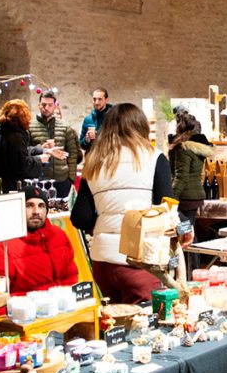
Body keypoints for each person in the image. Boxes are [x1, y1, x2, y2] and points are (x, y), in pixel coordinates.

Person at [83, 103, 173, 305]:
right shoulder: (154, 157)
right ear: (141, 127)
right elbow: (166, 208)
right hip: (139, 262)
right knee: (143, 329)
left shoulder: (93, 161)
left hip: (101, 263)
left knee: (113, 327)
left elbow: (80, 216)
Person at [0, 187, 78, 294]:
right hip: (23, 308)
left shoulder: (58, 235)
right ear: (17, 209)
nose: (36, 212)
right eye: (29, 206)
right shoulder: (0, 246)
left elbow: (71, 276)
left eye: (41, 206)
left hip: (64, 304)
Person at [0, 99, 52, 195]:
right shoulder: (14, 135)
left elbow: (16, 152)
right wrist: (40, 159)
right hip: (9, 189)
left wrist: (42, 149)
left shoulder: (0, 131)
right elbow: (22, 165)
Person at [29, 91, 80, 198]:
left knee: (62, 213)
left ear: (55, 105)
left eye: (50, 105)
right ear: (39, 105)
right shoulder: (30, 126)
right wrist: (41, 148)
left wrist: (71, 178)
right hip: (39, 179)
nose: (46, 107)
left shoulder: (65, 126)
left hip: (62, 179)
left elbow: (73, 153)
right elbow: (26, 150)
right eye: (43, 105)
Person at [168, 112, 213, 223]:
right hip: (194, 195)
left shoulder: (183, 148)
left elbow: (181, 176)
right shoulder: (197, 147)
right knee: (187, 228)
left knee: (184, 230)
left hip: (185, 198)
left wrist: (172, 199)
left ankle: (193, 240)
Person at [79, 88, 112, 152]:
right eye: (94, 99)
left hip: (109, 158)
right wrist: (86, 140)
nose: (96, 102)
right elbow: (81, 145)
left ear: (106, 100)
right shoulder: (87, 119)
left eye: (100, 99)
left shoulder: (114, 117)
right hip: (92, 158)